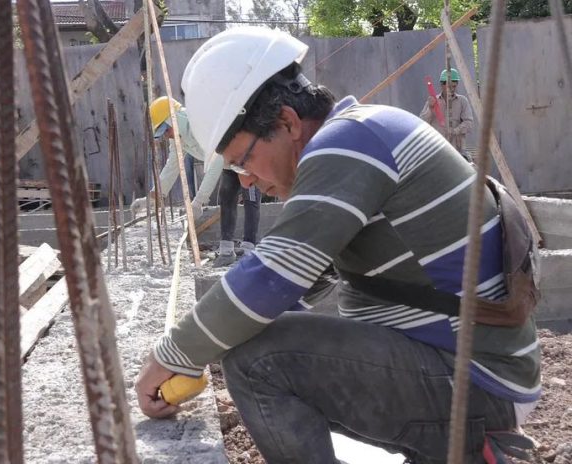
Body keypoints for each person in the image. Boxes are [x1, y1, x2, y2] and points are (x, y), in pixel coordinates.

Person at [136, 27, 540, 464]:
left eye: (243, 161)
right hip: (470, 373)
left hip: (475, 382)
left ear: (288, 122)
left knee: (258, 361)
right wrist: (214, 337)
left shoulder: (351, 142)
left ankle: (466, 444)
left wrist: (173, 354)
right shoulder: (361, 135)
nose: (246, 181)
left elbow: (274, 273)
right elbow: (295, 290)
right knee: (260, 338)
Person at [132, 96, 261, 267]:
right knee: (226, 198)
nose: (167, 136)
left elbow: (216, 162)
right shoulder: (177, 137)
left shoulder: (199, 124)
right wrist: (152, 197)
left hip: (246, 157)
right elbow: (173, 165)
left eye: (166, 130)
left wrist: (199, 201)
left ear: (174, 119)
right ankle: (226, 251)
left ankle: (249, 249)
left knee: (250, 199)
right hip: (228, 162)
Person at [420, 68, 475, 160]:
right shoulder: (433, 101)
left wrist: (455, 131)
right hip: (436, 148)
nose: (452, 89)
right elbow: (422, 122)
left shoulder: (462, 101)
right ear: (442, 85)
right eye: (449, 86)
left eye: (454, 86)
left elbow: (469, 123)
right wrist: (430, 108)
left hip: (456, 150)